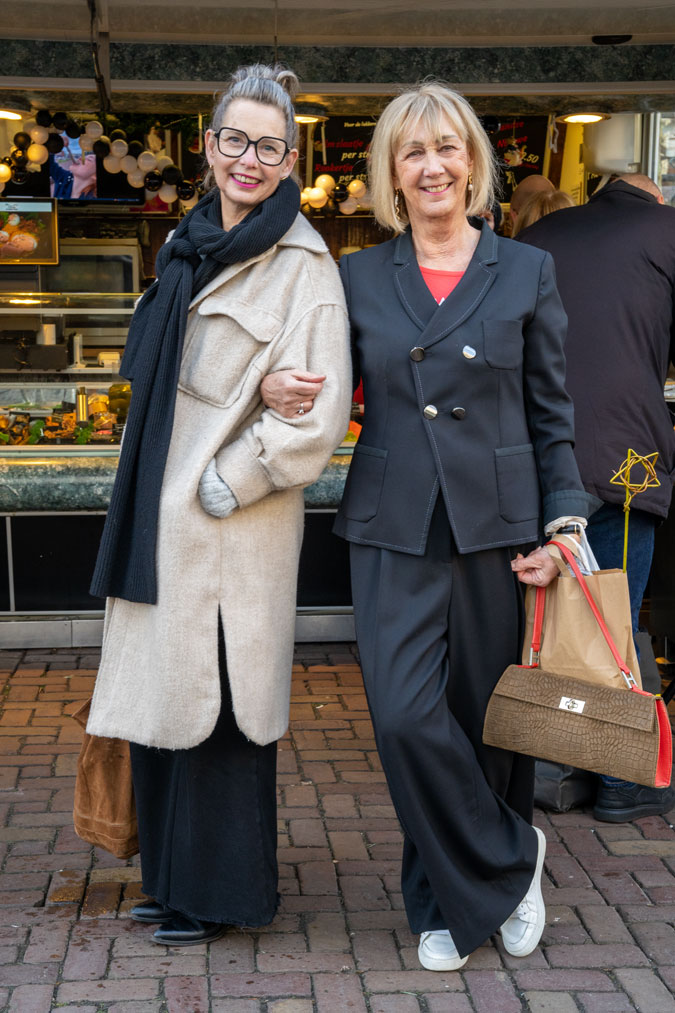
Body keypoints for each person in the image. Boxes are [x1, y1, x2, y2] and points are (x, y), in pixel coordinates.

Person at [261, 81, 594, 970]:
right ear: (392, 174)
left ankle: (444, 901)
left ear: (473, 163)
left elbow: (551, 413)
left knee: (489, 722)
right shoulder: (357, 275)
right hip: (391, 522)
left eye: (447, 146)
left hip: (500, 527)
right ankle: (511, 856)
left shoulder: (525, 270)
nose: (433, 164)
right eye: (413, 152)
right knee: (408, 719)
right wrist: (270, 390)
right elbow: (322, 385)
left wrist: (562, 524)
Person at [85, 64, 351, 945]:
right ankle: (169, 881)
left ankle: (221, 894)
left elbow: (314, 422)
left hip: (229, 529)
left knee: (222, 718)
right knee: (168, 712)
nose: (248, 158)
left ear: (288, 160)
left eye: (267, 146)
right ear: (207, 147)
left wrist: (228, 478)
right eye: (233, 140)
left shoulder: (304, 268)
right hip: (158, 519)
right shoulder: (185, 246)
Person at [519, 172, 675, 823]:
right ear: (653, 197)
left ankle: (552, 769)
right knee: (612, 613)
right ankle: (616, 781)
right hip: (625, 462)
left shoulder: (539, 234)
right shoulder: (666, 230)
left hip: (535, 453)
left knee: (552, 615)